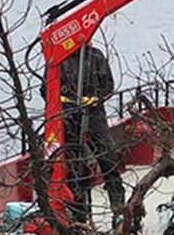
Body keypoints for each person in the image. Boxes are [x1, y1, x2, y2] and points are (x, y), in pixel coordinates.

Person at [53, 44, 126, 224]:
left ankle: (119, 210)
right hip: (68, 117)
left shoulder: (95, 56)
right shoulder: (59, 59)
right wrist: (66, 101)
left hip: (94, 114)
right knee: (76, 168)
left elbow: (108, 85)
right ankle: (81, 218)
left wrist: (94, 98)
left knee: (107, 158)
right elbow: (46, 89)